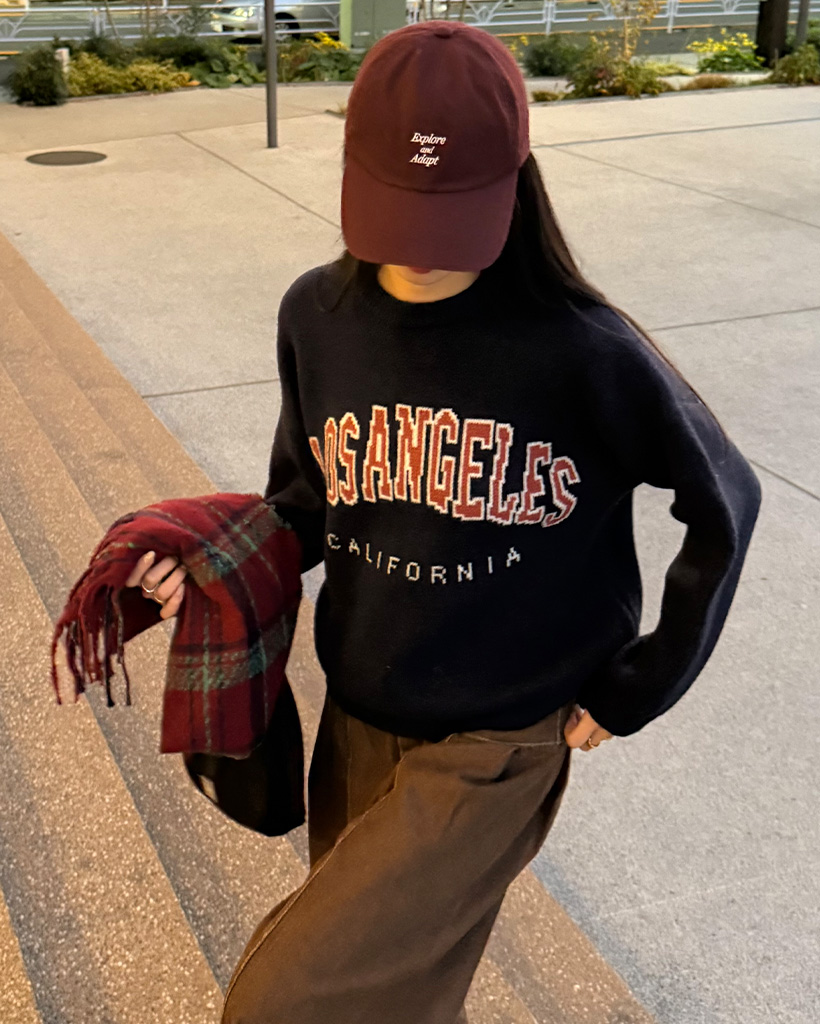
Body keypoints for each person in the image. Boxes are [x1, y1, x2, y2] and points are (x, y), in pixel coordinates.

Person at [127, 19, 762, 1024]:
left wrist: (643, 681)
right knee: (393, 999)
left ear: (515, 184)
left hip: (498, 741)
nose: (420, 255)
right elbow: (306, 503)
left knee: (289, 1002)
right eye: (398, 212)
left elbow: (725, 498)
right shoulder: (318, 317)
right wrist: (210, 566)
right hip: (360, 711)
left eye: (451, 218)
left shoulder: (581, 350)